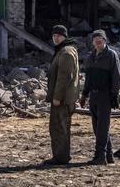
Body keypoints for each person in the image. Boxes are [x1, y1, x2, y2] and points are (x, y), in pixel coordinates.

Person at [78, 29, 120, 165]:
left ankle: (99, 156)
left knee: (102, 126)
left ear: (105, 40)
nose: (98, 42)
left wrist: (114, 95)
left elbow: (117, 77)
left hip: (105, 95)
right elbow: (88, 78)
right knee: (97, 127)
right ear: (92, 42)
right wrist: (84, 94)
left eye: (100, 39)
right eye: (95, 40)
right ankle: (109, 155)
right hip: (93, 95)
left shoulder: (111, 55)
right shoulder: (90, 57)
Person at [43, 25, 80, 165]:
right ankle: (60, 156)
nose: (56, 38)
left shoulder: (66, 52)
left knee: (59, 128)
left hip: (62, 100)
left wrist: (57, 97)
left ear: (65, 36)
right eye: (54, 35)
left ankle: (61, 157)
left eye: (59, 35)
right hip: (64, 99)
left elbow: (64, 77)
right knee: (58, 127)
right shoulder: (64, 50)